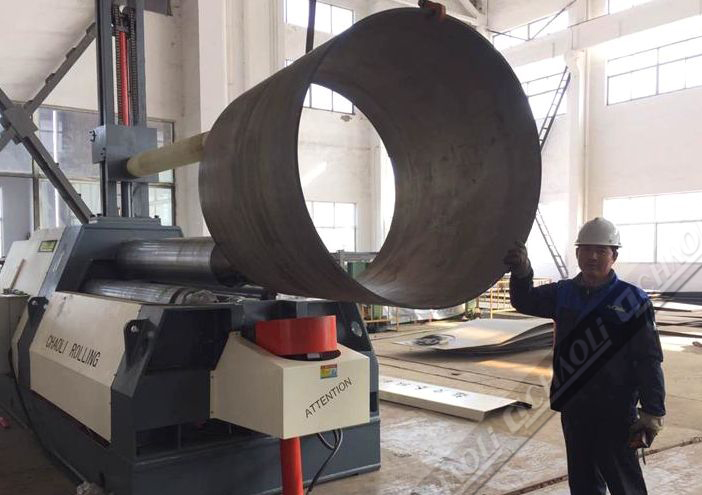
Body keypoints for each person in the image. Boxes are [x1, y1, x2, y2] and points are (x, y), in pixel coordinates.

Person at [503, 217, 665, 495]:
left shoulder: (632, 300)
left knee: (624, 482)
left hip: (615, 410)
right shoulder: (563, 293)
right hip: (574, 406)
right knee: (582, 481)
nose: (593, 257)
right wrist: (522, 272)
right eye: (586, 249)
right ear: (577, 253)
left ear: (614, 256)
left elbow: (648, 358)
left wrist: (653, 409)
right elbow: (525, 300)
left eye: (601, 250)